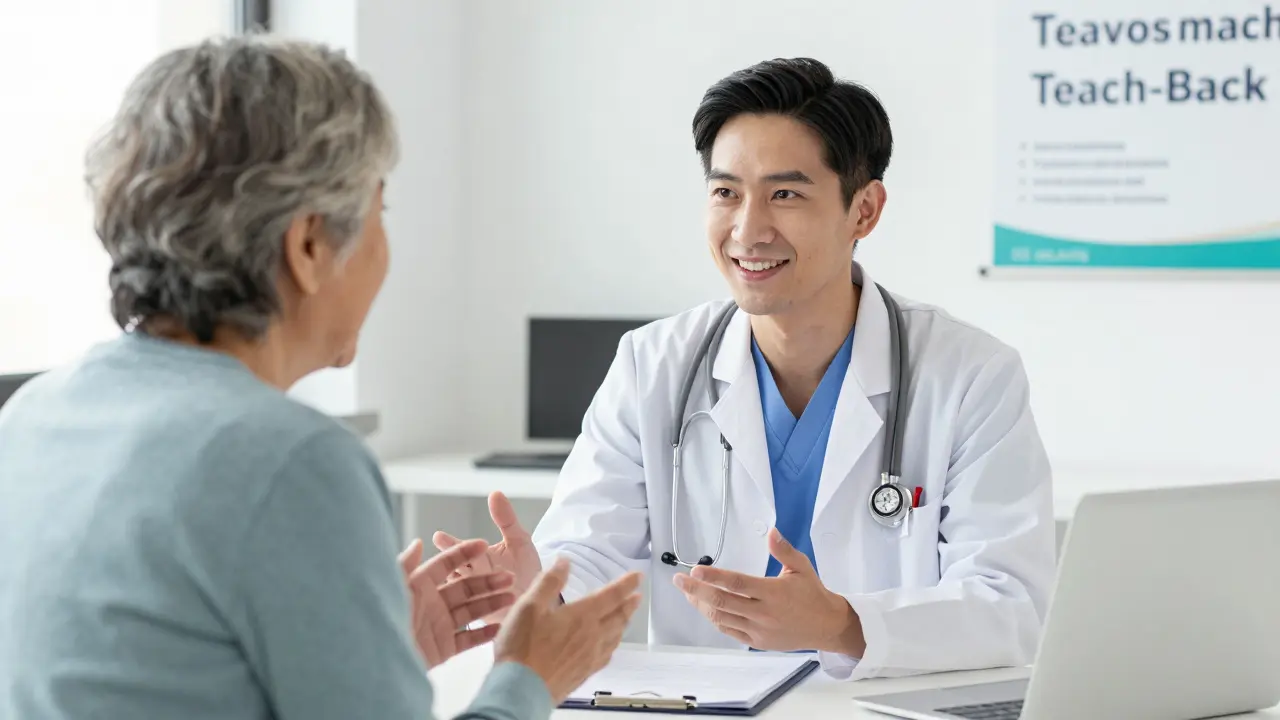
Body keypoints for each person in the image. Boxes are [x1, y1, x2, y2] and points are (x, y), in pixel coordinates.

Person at [0, 36, 641, 720]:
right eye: (378, 214)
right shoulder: (291, 461)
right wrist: (531, 677)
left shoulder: (31, 417)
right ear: (308, 246)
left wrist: (365, 652)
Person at [433, 57, 1058, 681]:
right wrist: (537, 590)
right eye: (726, 192)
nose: (748, 229)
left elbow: (1011, 605)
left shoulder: (971, 377)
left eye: (785, 194)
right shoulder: (653, 366)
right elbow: (587, 550)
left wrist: (842, 624)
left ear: (864, 210)